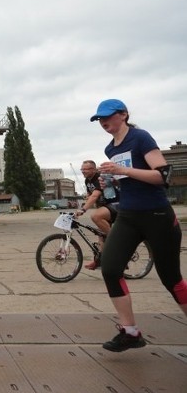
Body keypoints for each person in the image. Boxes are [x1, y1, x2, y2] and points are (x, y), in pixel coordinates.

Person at [90, 99, 187, 352]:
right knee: (110, 269)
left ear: (123, 115)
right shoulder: (110, 148)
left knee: (171, 279)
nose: (103, 122)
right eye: (99, 119)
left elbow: (162, 176)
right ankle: (131, 332)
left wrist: (124, 169)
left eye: (107, 116)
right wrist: (110, 180)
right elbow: (127, 181)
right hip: (128, 215)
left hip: (157, 216)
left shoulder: (140, 137)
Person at [74, 160, 119, 270]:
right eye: (82, 169)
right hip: (104, 207)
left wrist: (83, 209)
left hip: (115, 204)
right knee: (101, 236)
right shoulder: (87, 180)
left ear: (93, 170)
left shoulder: (100, 177)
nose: (83, 171)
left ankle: (117, 240)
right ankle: (101, 261)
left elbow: (95, 196)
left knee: (95, 216)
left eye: (86, 169)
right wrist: (86, 200)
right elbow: (90, 195)